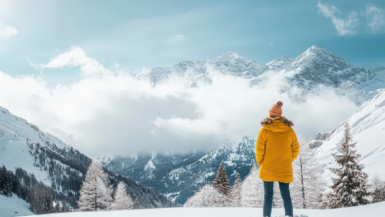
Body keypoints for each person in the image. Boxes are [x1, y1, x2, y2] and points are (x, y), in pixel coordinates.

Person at [256, 101, 299, 217]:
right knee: (286, 194)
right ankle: (289, 215)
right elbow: (295, 148)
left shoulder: (265, 130)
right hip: (284, 168)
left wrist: (261, 163)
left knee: (268, 195)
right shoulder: (289, 130)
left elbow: (259, 150)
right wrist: (288, 160)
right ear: (280, 115)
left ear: (270, 114)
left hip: (268, 167)